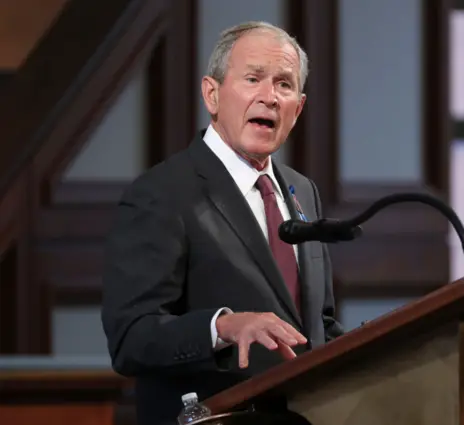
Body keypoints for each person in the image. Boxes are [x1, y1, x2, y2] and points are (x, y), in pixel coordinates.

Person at [101, 21, 343, 425]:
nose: (269, 97)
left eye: (284, 85)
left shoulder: (303, 192)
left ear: (297, 109)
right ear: (212, 94)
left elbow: (319, 324)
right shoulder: (161, 193)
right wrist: (222, 326)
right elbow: (131, 337)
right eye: (253, 79)